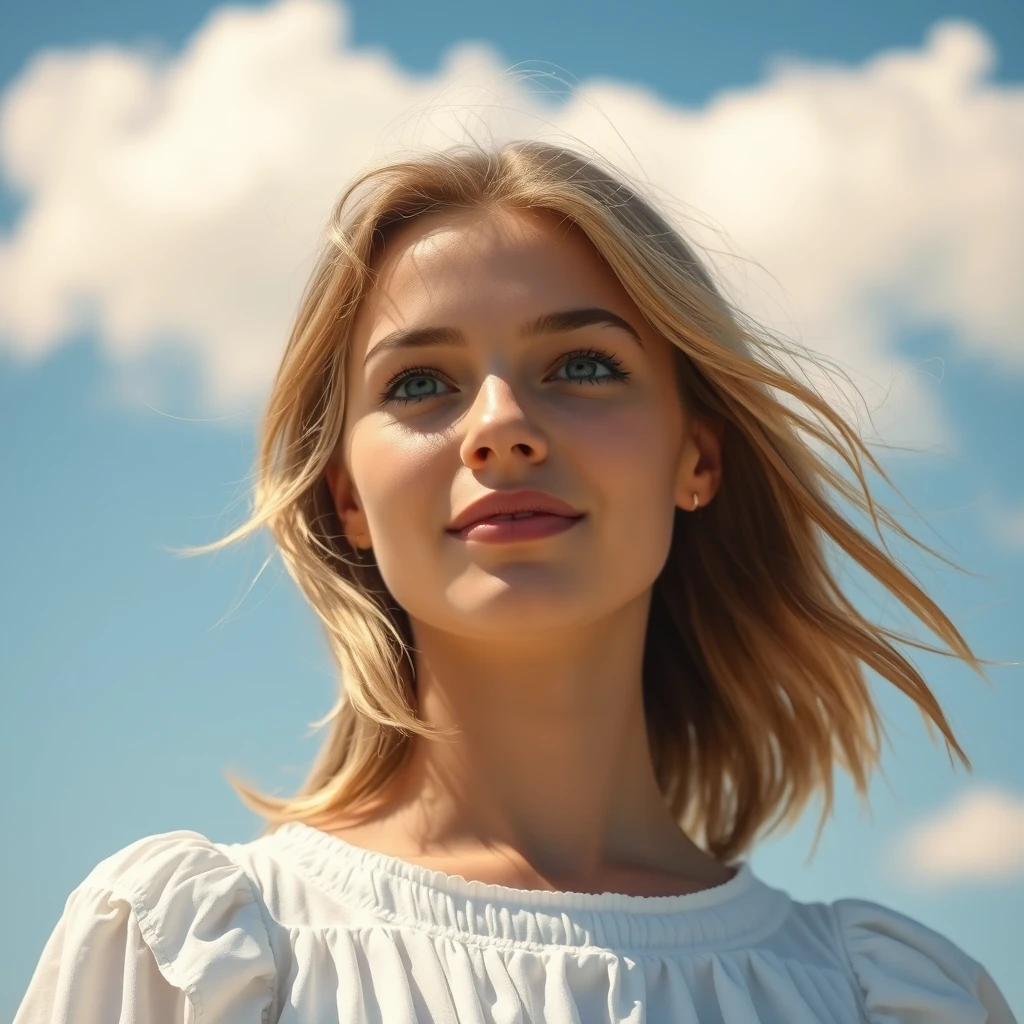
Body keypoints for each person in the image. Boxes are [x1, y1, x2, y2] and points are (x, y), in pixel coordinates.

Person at [15, 141, 1017, 1023]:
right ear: (349, 500)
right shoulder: (188, 962)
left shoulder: (887, 998)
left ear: (696, 460)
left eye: (581, 365)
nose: (498, 422)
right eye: (418, 384)